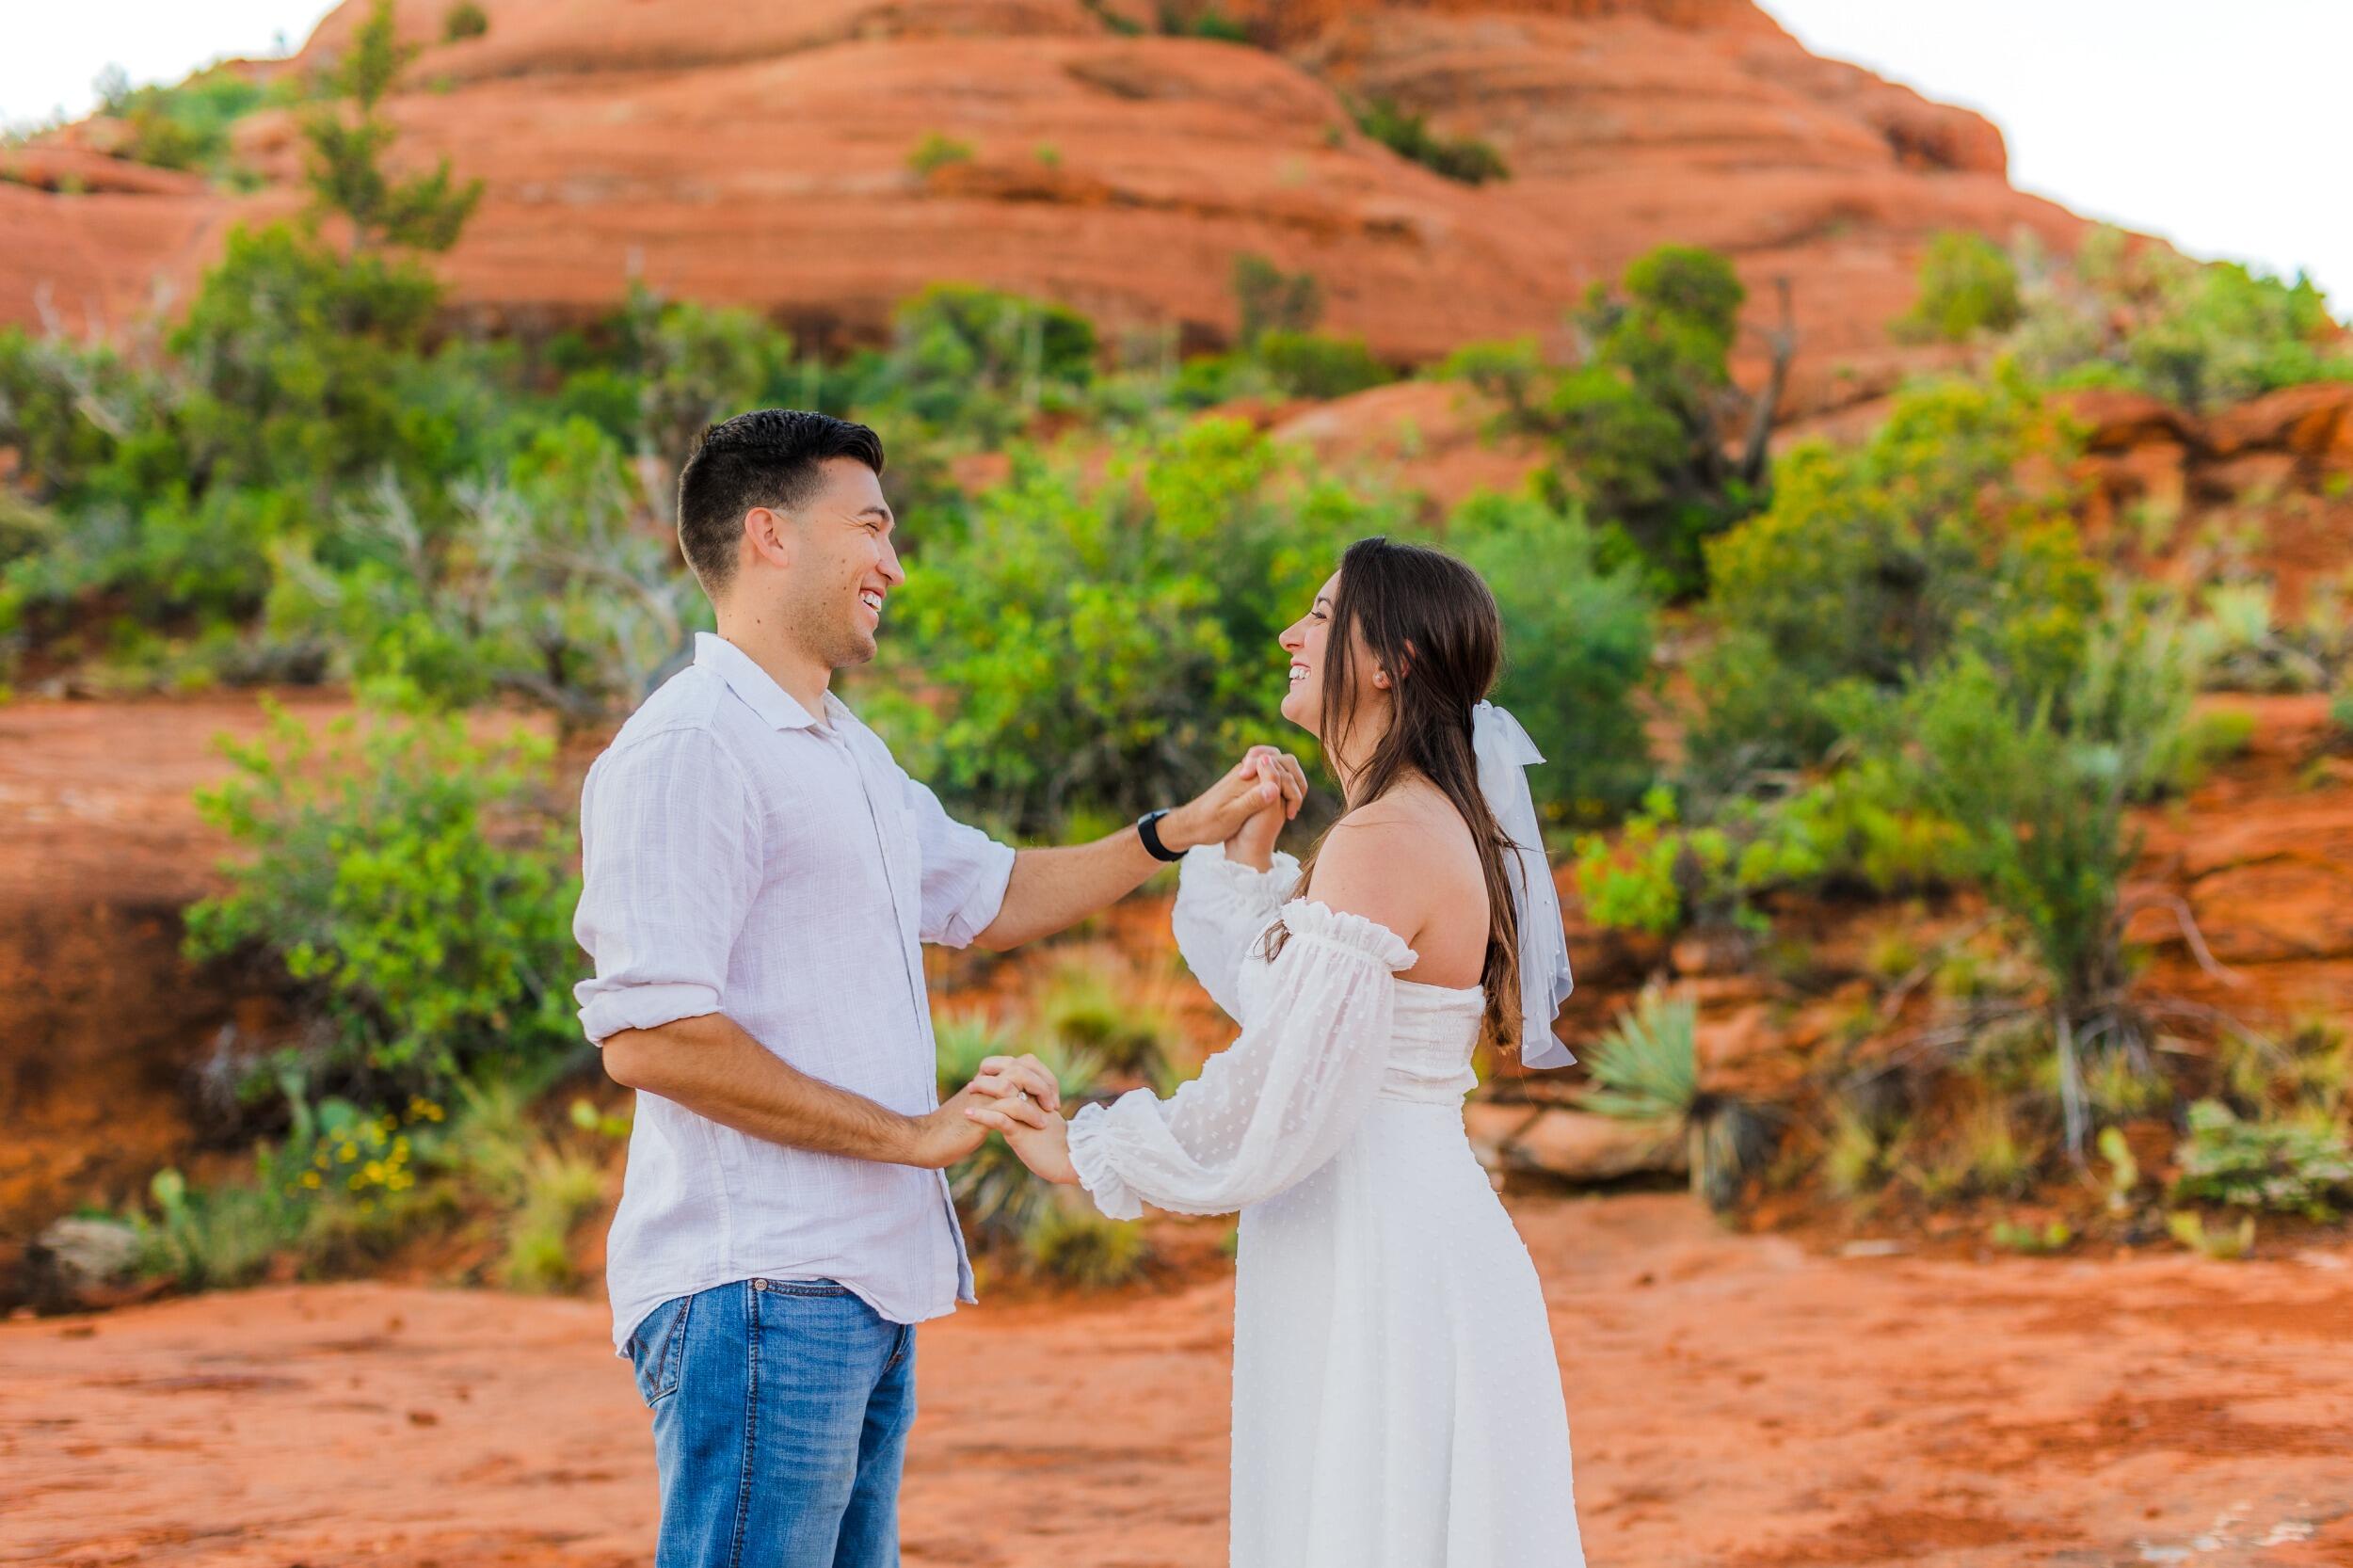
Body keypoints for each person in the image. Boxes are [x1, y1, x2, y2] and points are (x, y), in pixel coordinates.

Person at [570, 408, 1307, 1568]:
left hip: (859, 1287)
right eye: (870, 527)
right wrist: (911, 1135)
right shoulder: (689, 749)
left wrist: (1176, 832)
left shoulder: (843, 749)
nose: (893, 564)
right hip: (760, 1284)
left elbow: (992, 895)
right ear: (769, 533)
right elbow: (653, 1038)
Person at [969, 535, 1586, 1567]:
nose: (1289, 634)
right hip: (1373, 1223)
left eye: (1317, 612)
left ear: (1387, 661)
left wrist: (1092, 1151)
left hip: (1384, 1248)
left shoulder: (1381, 841)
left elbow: (1288, 1092)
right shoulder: (1398, 826)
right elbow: (1287, 1007)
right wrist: (1244, 856)